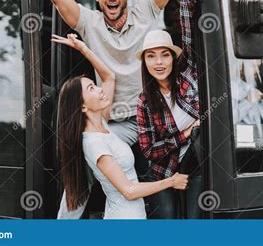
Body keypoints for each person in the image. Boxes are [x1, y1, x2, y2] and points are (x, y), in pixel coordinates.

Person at [6, 0, 194, 218]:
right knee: (82, 170)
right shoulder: (89, 23)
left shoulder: (146, 11)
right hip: (115, 124)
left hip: (152, 119)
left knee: (167, 183)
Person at [53, 33, 189, 219]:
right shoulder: (94, 144)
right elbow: (129, 191)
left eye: (95, 85)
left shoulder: (102, 124)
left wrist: (83, 48)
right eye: (91, 89)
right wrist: (171, 181)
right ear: (82, 106)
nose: (100, 90)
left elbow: (109, 77)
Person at [136, 0, 201, 218]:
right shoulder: (144, 101)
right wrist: (187, 134)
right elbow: (150, 150)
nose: (159, 62)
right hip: (163, 171)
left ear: (173, 58)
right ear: (145, 62)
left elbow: (187, 29)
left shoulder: (186, 74)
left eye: (164, 55)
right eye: (151, 56)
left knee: (195, 222)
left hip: (196, 163)